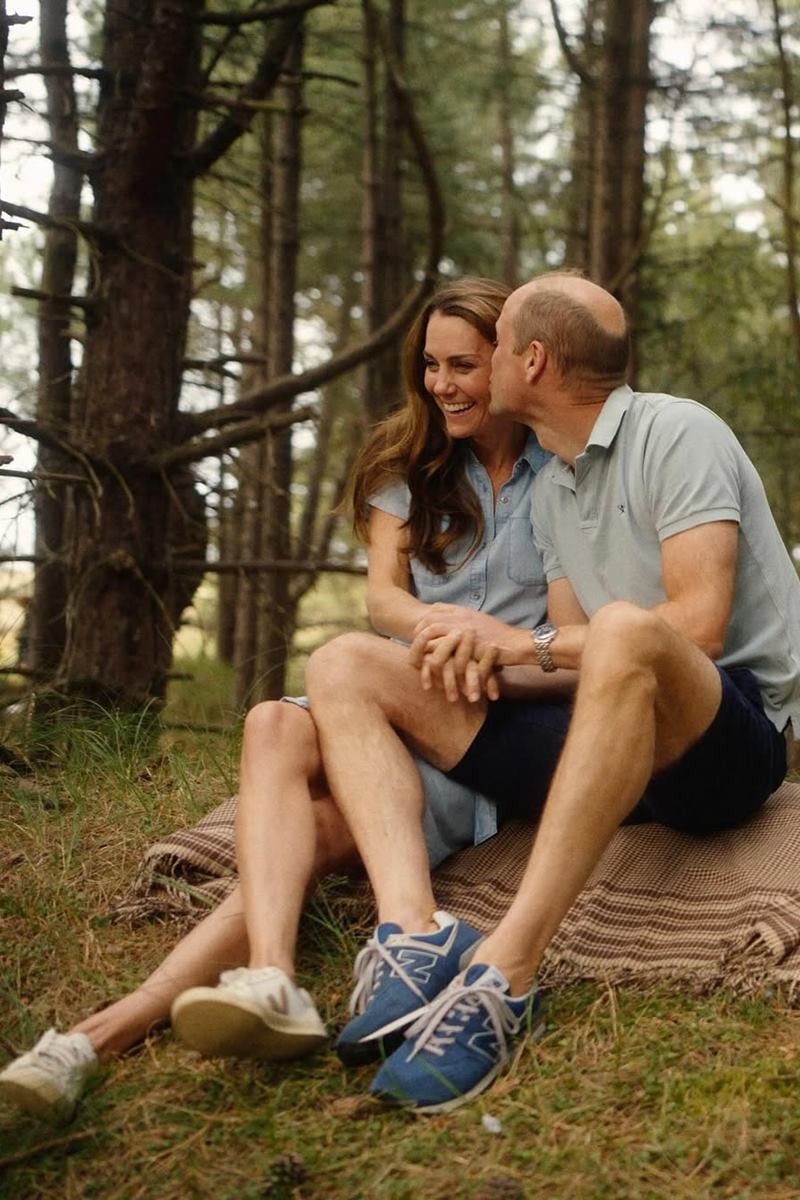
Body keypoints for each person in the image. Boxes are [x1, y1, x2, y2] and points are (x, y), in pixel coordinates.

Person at [0, 277, 557, 1121]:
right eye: (431, 366)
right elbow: (382, 600)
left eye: (465, 366)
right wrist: (447, 627)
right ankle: (272, 977)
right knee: (268, 720)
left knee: (311, 844)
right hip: (379, 696)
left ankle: (103, 1034)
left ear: (514, 365)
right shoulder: (408, 467)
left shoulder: (565, 473)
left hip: (470, 728)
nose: (443, 384)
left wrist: (489, 650)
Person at [305, 271, 800, 1113]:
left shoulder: (678, 433)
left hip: (727, 736)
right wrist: (475, 655)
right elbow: (563, 662)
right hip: (609, 740)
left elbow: (700, 626)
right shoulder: (557, 488)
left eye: (491, 350)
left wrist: (521, 639)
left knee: (627, 631)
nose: (469, 368)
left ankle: (507, 973)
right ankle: (415, 935)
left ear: (530, 361)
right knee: (345, 661)